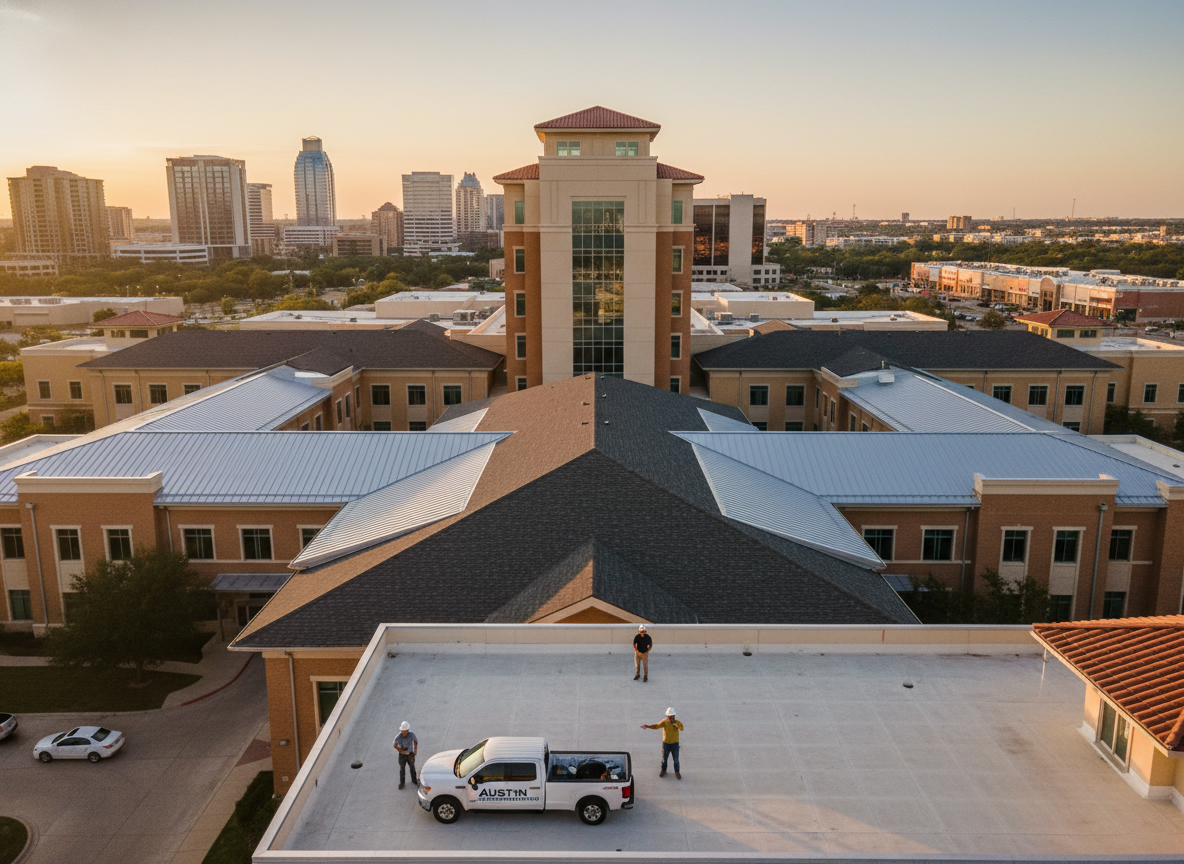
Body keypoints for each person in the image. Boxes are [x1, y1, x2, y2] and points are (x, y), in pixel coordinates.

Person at [641, 707, 684, 779]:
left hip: (675, 744)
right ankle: (663, 770)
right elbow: (656, 726)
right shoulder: (664, 722)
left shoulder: (677, 722)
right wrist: (648, 726)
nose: (670, 718)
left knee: (676, 760)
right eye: (669, 716)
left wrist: (675, 724)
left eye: (671, 716)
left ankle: (677, 772)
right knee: (664, 759)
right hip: (666, 744)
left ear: (674, 716)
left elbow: (682, 728)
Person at [393, 721, 418, 789]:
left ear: (408, 730)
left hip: (410, 754)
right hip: (402, 755)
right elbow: (394, 744)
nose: (404, 732)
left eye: (405, 731)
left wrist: (415, 751)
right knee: (402, 769)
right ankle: (402, 783)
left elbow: (415, 742)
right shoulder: (399, 737)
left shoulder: (411, 735)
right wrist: (399, 749)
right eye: (403, 731)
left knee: (412, 767)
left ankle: (414, 780)